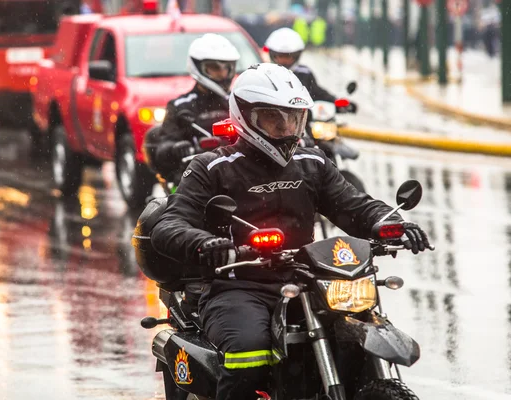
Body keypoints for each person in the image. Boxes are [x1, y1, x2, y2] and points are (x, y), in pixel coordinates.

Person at [150, 63, 431, 400]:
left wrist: (391, 223)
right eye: (274, 118)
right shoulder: (211, 168)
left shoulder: (313, 162)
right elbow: (170, 224)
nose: (286, 128)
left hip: (309, 280)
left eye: (293, 118)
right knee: (248, 349)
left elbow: (353, 205)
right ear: (246, 116)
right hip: (240, 284)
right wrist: (209, 244)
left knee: (356, 333)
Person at [148, 33, 240, 179]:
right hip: (196, 175)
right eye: (214, 68)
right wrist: (175, 148)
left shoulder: (238, 101)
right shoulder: (180, 106)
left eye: (226, 68)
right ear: (197, 66)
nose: (222, 73)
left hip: (237, 172)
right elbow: (163, 148)